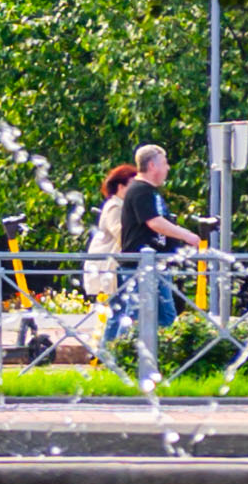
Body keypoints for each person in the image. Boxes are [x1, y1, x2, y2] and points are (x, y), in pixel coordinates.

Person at [86, 146, 202, 374]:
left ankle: (159, 366)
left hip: (154, 267)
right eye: (165, 162)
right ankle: (118, 367)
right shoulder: (140, 191)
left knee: (164, 317)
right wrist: (186, 235)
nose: (168, 167)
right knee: (130, 317)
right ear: (152, 165)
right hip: (140, 268)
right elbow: (154, 223)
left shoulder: (149, 192)